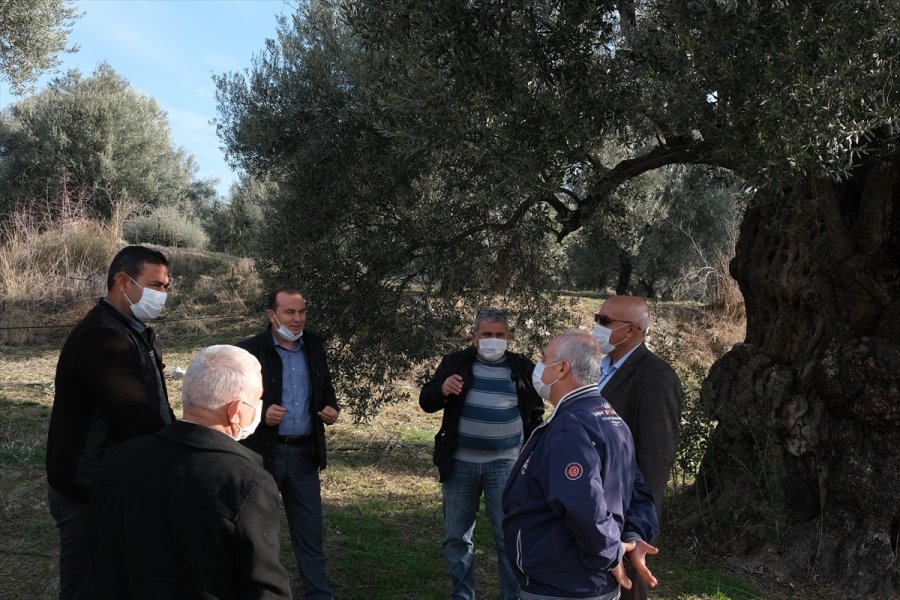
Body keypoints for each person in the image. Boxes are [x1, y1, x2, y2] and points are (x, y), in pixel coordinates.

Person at [87, 345, 292, 599]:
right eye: (258, 399)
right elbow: (264, 589)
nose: (260, 406)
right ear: (236, 411)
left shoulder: (116, 460)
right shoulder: (247, 484)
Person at [46, 245, 174, 599]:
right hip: (88, 490)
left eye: (166, 287)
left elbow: (154, 405)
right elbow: (135, 417)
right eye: (156, 285)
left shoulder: (133, 330)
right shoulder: (102, 338)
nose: (163, 294)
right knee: (87, 587)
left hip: (113, 480)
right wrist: (184, 450)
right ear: (123, 282)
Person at [502, 330, 660, 600]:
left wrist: (611, 552)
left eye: (544, 359)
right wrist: (633, 534)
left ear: (562, 368)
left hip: (563, 581)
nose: (539, 366)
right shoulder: (610, 417)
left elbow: (584, 505)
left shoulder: (571, 426)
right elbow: (637, 489)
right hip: (588, 579)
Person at [419, 307, 545, 600]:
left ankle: (513, 596)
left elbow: (536, 412)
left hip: (506, 465)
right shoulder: (456, 363)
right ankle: (462, 595)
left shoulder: (522, 367)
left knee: (508, 536)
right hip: (459, 464)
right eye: (487, 334)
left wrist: (529, 454)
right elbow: (426, 401)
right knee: (456, 537)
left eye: (499, 335)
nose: (493, 340)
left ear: (508, 336)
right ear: (475, 336)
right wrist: (442, 389)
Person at [236, 287, 340, 600]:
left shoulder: (314, 347)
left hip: (305, 454)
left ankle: (318, 594)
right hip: (263, 455)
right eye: (289, 312)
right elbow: (233, 400)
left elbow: (326, 387)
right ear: (272, 315)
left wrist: (331, 407)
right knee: (256, 530)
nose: (298, 319)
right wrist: (261, 413)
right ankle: (255, 591)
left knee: (309, 530)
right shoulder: (248, 351)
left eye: (302, 312)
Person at [592, 295, 682, 600]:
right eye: (597, 318)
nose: (597, 326)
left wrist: (638, 525)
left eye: (604, 321)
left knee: (629, 583)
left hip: (625, 508)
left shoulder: (657, 377)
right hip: (594, 499)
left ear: (631, 330)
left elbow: (656, 458)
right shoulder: (600, 368)